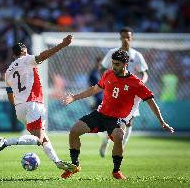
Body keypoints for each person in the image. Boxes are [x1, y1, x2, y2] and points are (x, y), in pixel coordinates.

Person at [61, 50, 174, 179]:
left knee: (119, 136)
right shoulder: (108, 74)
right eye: (113, 63)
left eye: (117, 64)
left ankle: (116, 170)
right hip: (100, 114)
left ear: (126, 64)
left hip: (117, 119)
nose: (114, 66)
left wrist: (162, 121)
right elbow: (95, 89)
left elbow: (151, 102)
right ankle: (75, 165)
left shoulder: (136, 83)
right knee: (74, 131)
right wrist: (74, 97)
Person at [0, 35, 77, 172]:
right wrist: (62, 45)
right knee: (38, 138)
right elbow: (43, 56)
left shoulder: (8, 71)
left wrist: (20, 105)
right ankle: (5, 142)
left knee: (43, 137)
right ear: (23, 51)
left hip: (20, 108)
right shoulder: (26, 59)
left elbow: (10, 97)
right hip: (33, 103)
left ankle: (57, 162)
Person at [99, 27, 149, 157]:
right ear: (120, 38)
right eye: (123, 37)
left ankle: (122, 146)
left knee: (129, 121)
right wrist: (106, 83)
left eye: (128, 36)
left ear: (132, 38)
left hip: (131, 93)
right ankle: (106, 140)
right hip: (115, 91)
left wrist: (141, 83)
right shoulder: (112, 52)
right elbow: (103, 68)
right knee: (111, 120)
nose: (125, 39)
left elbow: (145, 73)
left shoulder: (137, 55)